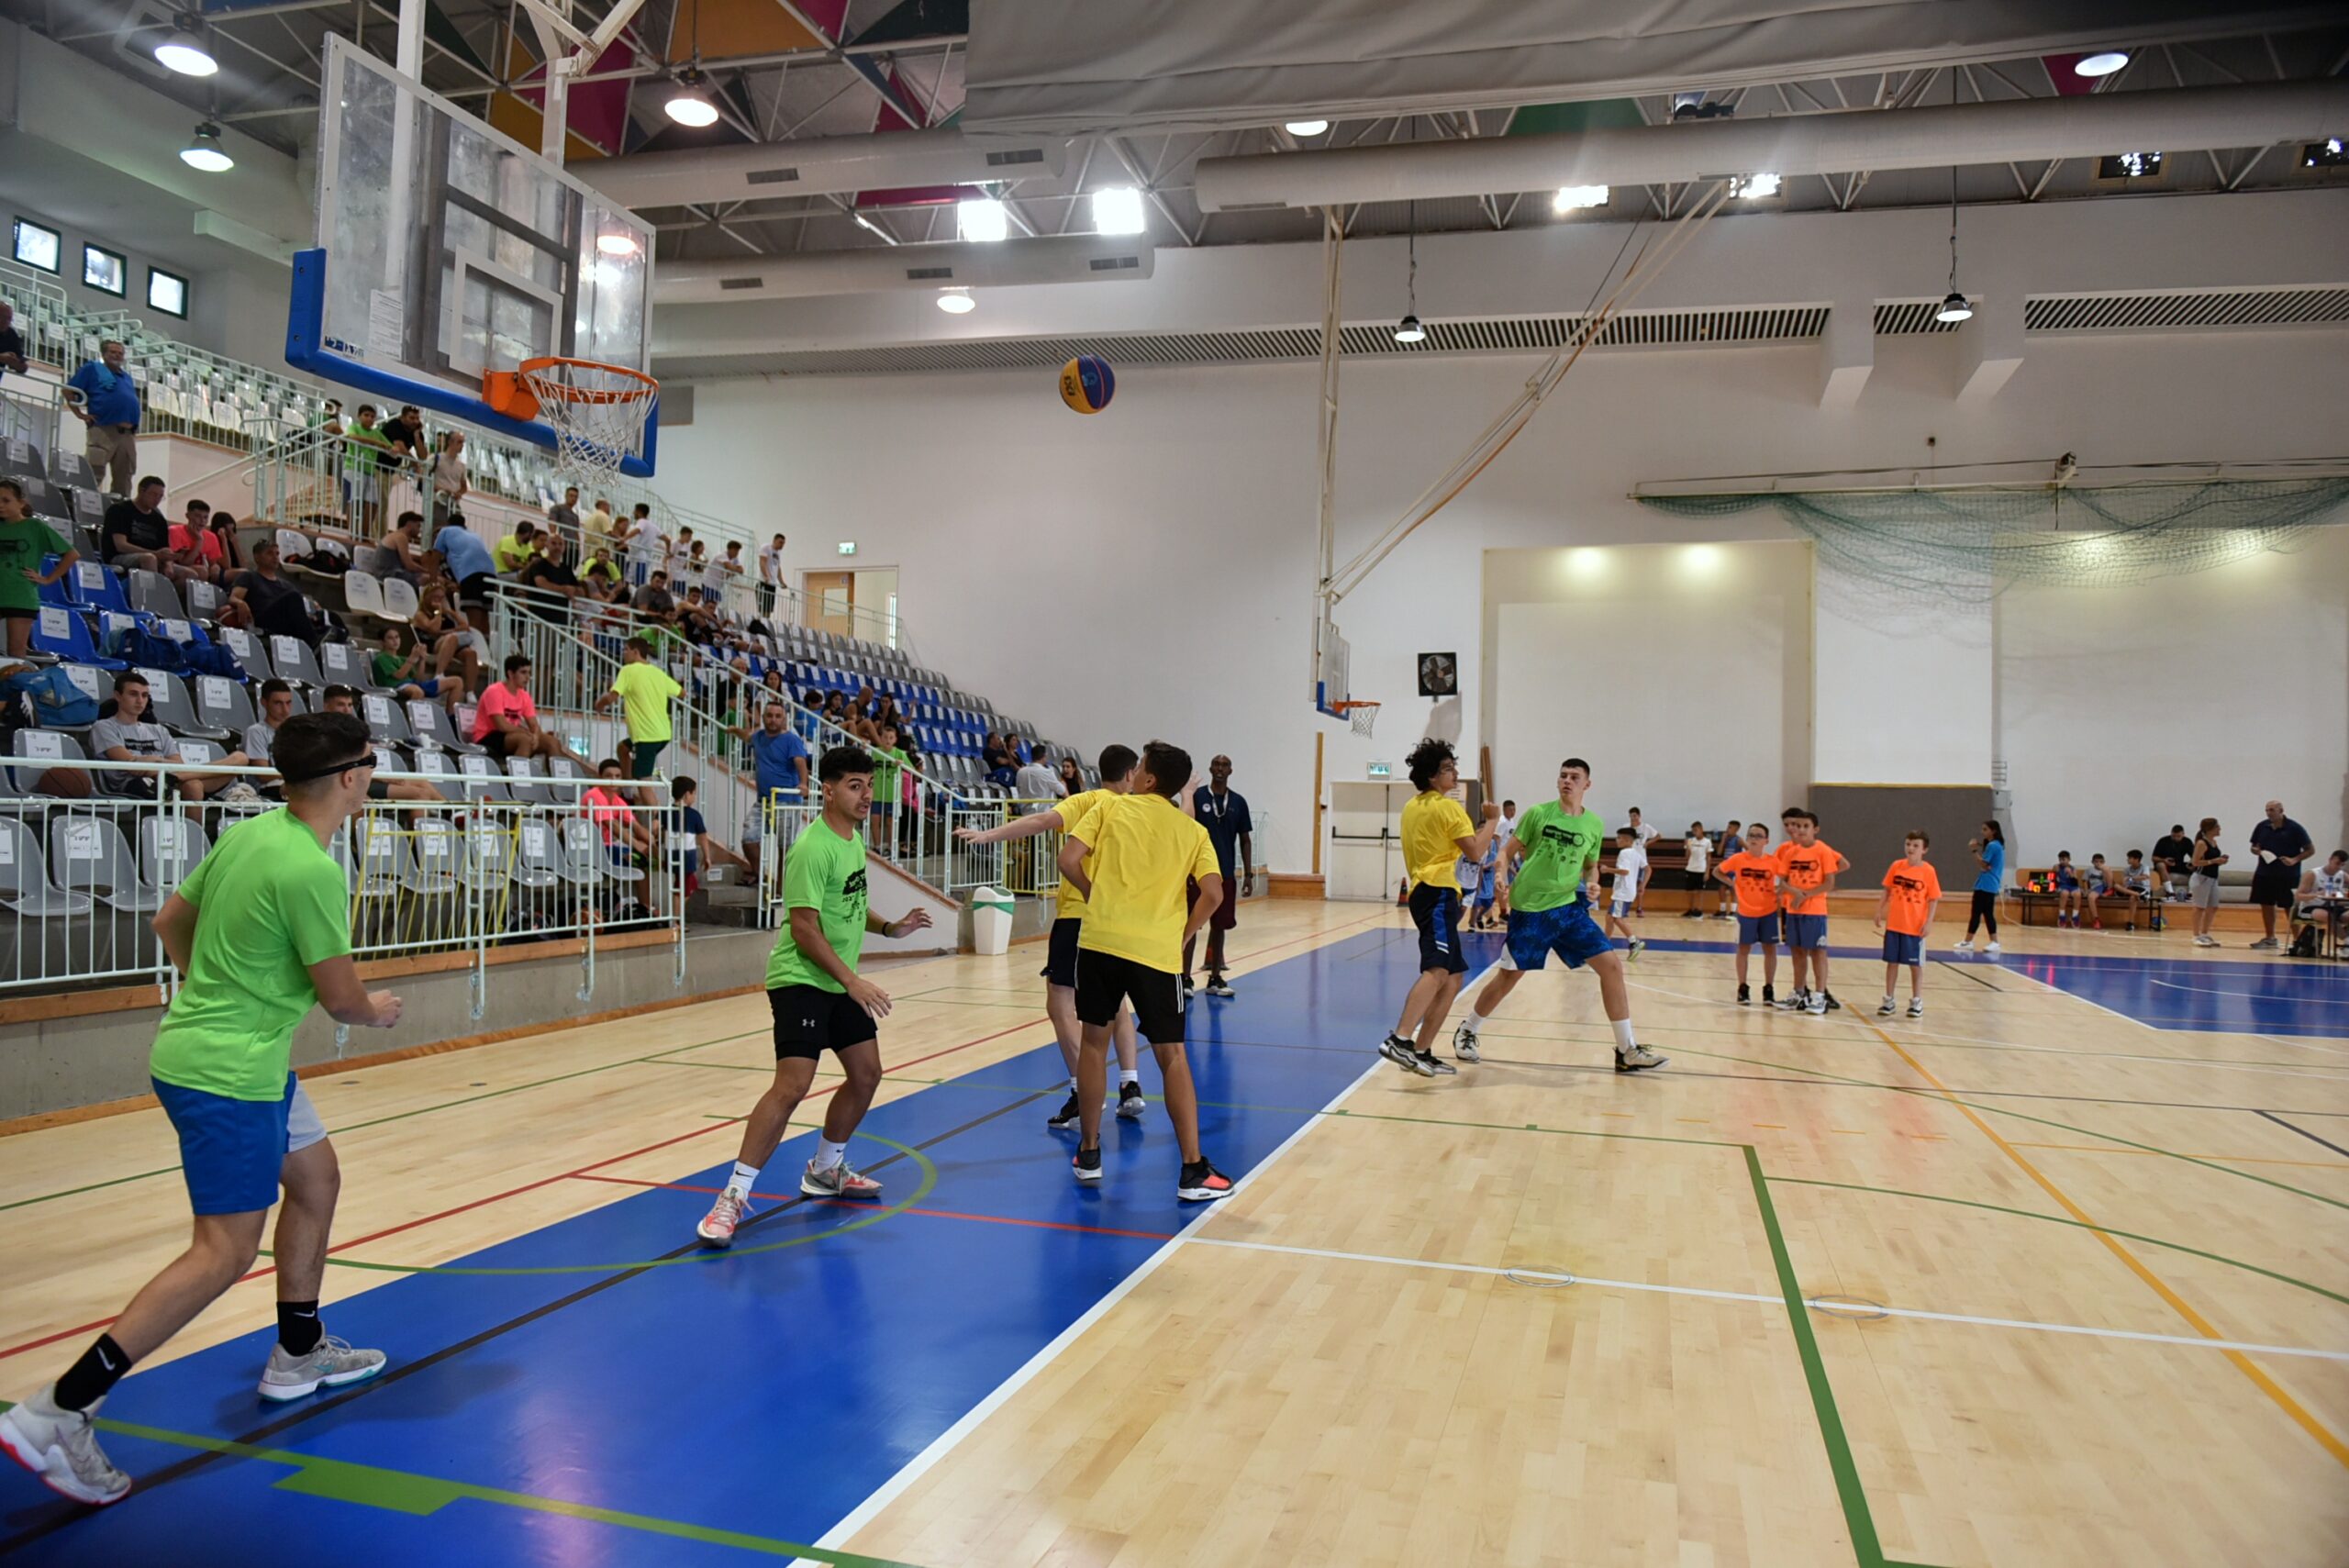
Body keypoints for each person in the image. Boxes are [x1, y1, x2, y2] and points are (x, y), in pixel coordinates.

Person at [0, 712, 401, 1507]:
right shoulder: (311, 870)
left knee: (316, 1177)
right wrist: (376, 1008)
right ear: (352, 777)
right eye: (371, 767)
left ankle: (298, 1350)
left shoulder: (250, 834)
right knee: (222, 1251)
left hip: (233, 1054)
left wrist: (218, 993)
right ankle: (59, 1409)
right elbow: (342, 999)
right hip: (229, 1075)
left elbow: (169, 921)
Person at [696, 745, 934, 1245]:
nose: (866, 795)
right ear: (828, 790)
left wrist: (890, 928)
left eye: (869, 785)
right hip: (801, 979)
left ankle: (826, 1169)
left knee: (866, 1074)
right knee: (792, 1085)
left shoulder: (853, 841)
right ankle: (733, 1196)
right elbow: (804, 927)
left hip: (838, 979)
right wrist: (853, 981)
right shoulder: (811, 847)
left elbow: (849, 903)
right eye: (854, 785)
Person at [1057, 740, 1234, 1199]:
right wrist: (1184, 935)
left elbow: (1068, 860)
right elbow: (1213, 894)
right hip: (1156, 952)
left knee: (1093, 1044)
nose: (1132, 773)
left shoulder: (1108, 808)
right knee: (1171, 1055)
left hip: (1099, 942)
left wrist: (1093, 895)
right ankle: (1192, 1170)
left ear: (1149, 779)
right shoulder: (1192, 831)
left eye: (1139, 768)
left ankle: (1089, 1153)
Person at [957, 744, 1152, 1127]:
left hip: (1079, 915)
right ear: (1131, 775)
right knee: (1116, 1000)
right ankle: (1130, 1084)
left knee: (1059, 1002)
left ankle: (1083, 1091)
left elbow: (1040, 821)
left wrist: (989, 834)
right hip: (1119, 919)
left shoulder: (1089, 802)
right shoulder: (1137, 810)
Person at [1453, 756, 1667, 1073]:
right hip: (1530, 908)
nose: (1567, 780)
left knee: (1611, 966)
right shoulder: (1538, 813)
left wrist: (1593, 883)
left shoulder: (1593, 824)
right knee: (1510, 976)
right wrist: (1499, 873)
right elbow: (1506, 851)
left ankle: (1627, 1050)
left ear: (1587, 784)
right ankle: (1468, 1029)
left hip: (1568, 907)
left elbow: (1591, 866)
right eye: (1563, 775)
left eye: (1574, 777)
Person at [1378, 739, 1501, 1078]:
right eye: (1448, 768)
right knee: (1436, 969)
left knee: (1454, 975)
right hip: (1437, 892)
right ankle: (1400, 1039)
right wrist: (1492, 822)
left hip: (1427, 891)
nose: (1455, 773)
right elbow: (1475, 851)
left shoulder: (1411, 807)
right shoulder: (1448, 807)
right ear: (1432, 776)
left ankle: (1422, 1051)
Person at [93, 673, 259, 804]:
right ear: (118, 696)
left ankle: (177, 779)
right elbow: (130, 764)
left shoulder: (159, 730)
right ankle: (179, 782)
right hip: (138, 783)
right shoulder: (104, 726)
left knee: (241, 758)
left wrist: (156, 763)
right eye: (133, 694)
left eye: (144, 695)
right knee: (193, 786)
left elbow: (177, 764)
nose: (140, 701)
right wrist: (159, 764)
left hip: (169, 778)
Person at [1177, 753, 1255, 997]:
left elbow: (1245, 839)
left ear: (1231, 771)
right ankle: (1185, 978)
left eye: (1225, 765)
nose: (1220, 768)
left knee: (1219, 925)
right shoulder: (1197, 797)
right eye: (1216, 764)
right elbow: (1185, 831)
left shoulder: (1238, 802)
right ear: (1210, 769)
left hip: (1225, 872)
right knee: (1191, 924)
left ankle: (1215, 978)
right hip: (1197, 873)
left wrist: (1248, 874)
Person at [1774, 808, 1848, 1016]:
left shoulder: (1823, 850)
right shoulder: (1790, 852)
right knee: (1797, 951)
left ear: (1815, 829)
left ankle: (1820, 995)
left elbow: (1829, 883)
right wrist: (1794, 893)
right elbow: (1783, 881)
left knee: (1817, 952)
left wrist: (1805, 895)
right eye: (1798, 826)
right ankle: (1799, 993)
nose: (1801, 830)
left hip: (1814, 910)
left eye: (1806, 826)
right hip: (1794, 909)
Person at [317, 686, 444, 802]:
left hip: (368, 779)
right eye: (341, 705)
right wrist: (381, 778)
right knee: (421, 794)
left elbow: (364, 764)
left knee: (423, 783)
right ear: (327, 706)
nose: (347, 710)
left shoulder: (353, 730)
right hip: (349, 783)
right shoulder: (322, 733)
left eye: (349, 705)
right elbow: (341, 770)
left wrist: (381, 777)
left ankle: (453, 815)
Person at [0, 476, 72, 660]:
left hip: (21, 595)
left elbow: (71, 554)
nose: (1, 505)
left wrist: (47, 579)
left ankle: (18, 679)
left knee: (16, 650)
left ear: (21, 503)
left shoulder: (34, 527)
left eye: (6, 500)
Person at [1875, 832, 1943, 1018]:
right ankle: (1889, 999)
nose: (1910, 848)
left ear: (1924, 850)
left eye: (1915, 845)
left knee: (1915, 965)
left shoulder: (1928, 871)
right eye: (1908, 844)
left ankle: (1916, 1000)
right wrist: (1879, 910)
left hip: (1915, 927)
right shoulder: (1896, 866)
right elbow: (1887, 890)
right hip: (1894, 925)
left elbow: (1933, 898)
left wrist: (1929, 922)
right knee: (1892, 963)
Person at [596, 635, 682, 780]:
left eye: (626, 650)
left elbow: (612, 697)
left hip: (646, 735)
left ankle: (639, 791)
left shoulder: (628, 670)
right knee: (622, 748)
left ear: (635, 652)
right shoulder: (658, 672)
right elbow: (682, 693)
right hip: (663, 733)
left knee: (643, 782)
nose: (623, 653)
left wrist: (599, 705)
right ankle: (627, 787)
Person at [471, 653, 583, 764]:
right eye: (523, 672)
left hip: (512, 735)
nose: (528, 677)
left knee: (552, 742)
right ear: (510, 674)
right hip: (488, 736)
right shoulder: (494, 691)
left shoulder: (524, 695)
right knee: (525, 739)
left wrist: (536, 736)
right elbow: (501, 725)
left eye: (529, 673)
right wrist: (527, 734)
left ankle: (557, 776)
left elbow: (533, 724)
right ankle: (518, 775)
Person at [1715, 820, 1780, 1005]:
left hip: (1768, 911)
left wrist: (1781, 891)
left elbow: (1787, 879)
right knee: (1743, 949)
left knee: (1770, 949)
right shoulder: (1738, 859)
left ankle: (1769, 988)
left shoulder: (1773, 861)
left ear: (1766, 841)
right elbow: (1717, 871)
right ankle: (1743, 987)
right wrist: (1732, 883)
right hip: (1746, 912)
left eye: (1758, 836)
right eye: (1751, 835)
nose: (1754, 839)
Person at [65, 338, 142, 494]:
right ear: (104, 354)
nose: (117, 355)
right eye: (113, 352)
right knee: (94, 472)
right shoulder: (92, 369)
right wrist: (79, 414)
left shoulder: (126, 377)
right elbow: (68, 390)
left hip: (127, 434)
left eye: (120, 353)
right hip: (104, 428)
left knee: (125, 476)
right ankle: (84, 502)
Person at [223, 540, 323, 648]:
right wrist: (240, 603)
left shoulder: (287, 585)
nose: (275, 557)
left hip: (287, 623)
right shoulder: (249, 577)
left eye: (277, 553)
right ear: (257, 557)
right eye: (270, 553)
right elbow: (233, 597)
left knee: (327, 615)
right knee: (293, 597)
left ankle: (324, 639)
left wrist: (314, 605)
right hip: (264, 621)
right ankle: (314, 643)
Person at [2247, 799, 2316, 951]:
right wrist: (2256, 850)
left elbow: (2310, 850)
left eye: (2272, 810)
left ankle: (2298, 940)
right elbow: (2254, 846)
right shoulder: (2262, 826)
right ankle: (2270, 937)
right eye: (2267, 810)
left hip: (2287, 874)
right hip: (2265, 872)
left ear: (2281, 810)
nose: (2269, 813)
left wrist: (2295, 859)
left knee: (2289, 906)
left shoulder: (2295, 828)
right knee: (2266, 904)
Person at [670, 775, 751, 895]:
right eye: (694, 794)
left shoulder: (666, 812)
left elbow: (655, 827)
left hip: (671, 854)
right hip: (687, 857)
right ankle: (677, 907)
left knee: (688, 884)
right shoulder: (694, 815)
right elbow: (703, 837)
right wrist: (707, 856)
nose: (695, 797)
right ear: (687, 795)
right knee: (683, 888)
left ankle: (678, 906)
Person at [431, 513, 496, 633]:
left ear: (448, 524)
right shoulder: (475, 535)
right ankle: (485, 642)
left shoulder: (445, 531)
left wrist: (432, 583)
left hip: (471, 575)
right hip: (490, 574)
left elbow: (435, 557)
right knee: (484, 617)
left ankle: (475, 641)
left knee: (474, 618)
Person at [371, 626, 462, 711]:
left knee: (457, 681)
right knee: (418, 691)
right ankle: (408, 718)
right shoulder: (382, 658)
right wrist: (412, 659)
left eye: (397, 637)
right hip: (396, 686)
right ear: (382, 642)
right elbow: (399, 675)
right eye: (390, 638)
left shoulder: (402, 659)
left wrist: (422, 660)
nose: (395, 641)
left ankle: (451, 717)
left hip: (412, 684)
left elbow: (419, 679)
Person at [102, 475, 175, 577]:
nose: (157, 500)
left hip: (153, 556)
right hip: (120, 556)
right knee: (149, 559)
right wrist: (155, 554)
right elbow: (121, 545)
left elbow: (164, 548)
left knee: (188, 573)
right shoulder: (119, 510)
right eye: (153, 494)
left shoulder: (159, 519)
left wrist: (168, 564)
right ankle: (150, 588)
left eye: (160, 496)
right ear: (141, 491)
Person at [1953, 820, 2006, 956]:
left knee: (1977, 913)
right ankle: (1993, 941)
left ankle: (1968, 941)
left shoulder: (1993, 846)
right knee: (1987, 914)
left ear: (1993, 831)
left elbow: (1984, 865)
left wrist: (1974, 851)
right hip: (1990, 884)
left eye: (1985, 829)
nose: (1983, 832)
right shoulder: (1997, 845)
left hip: (1986, 884)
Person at [1601, 827, 1649, 957]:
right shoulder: (1636, 853)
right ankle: (1605, 945)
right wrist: (1643, 885)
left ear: (1627, 840)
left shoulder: (1624, 853)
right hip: (1628, 891)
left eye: (1619, 838)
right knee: (1609, 918)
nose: (1616, 840)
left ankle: (1634, 942)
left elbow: (1624, 871)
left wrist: (1607, 869)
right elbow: (1648, 869)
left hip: (1623, 891)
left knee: (1617, 919)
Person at [2293, 850, 2348, 954]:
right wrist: (2317, 894)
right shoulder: (2312, 874)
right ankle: (2347, 941)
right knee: (2327, 916)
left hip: (2333, 905)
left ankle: (2345, 946)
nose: (2339, 867)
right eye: (2337, 863)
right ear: (2330, 860)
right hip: (2312, 907)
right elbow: (2298, 896)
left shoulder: (2342, 874)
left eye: (2342, 865)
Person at [168, 498, 230, 584]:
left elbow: (214, 563)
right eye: (197, 516)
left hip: (204, 569)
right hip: (179, 567)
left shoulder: (211, 536)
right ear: (188, 516)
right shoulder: (175, 531)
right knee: (201, 571)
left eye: (205, 517)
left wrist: (215, 567)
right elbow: (184, 563)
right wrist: (199, 541)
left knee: (241, 573)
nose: (202, 521)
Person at [2188, 817, 2228, 948]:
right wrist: (2213, 861)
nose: (2219, 829)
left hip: (2213, 878)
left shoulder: (2214, 842)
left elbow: (2213, 859)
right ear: (2210, 829)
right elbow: (2195, 862)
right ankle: (2195, 935)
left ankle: (2204, 933)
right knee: (2199, 907)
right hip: (2201, 878)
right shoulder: (2201, 843)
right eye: (2217, 827)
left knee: (2213, 907)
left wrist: (2220, 861)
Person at [427, 430, 467, 535]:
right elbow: (424, 478)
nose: (462, 445)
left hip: (454, 504)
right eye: (459, 442)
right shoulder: (435, 458)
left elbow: (464, 487)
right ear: (450, 442)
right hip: (438, 501)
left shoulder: (461, 466)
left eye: (463, 442)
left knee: (456, 533)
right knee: (437, 531)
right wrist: (442, 489)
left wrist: (458, 493)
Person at [2122, 849, 2164, 931]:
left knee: (2133, 898)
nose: (2127, 860)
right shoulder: (2126, 870)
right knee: (2120, 890)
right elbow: (2124, 882)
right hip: (2131, 888)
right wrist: (2127, 883)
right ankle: (2141, 896)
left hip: (2142, 888)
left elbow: (2145, 877)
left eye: (2130, 858)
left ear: (2136, 859)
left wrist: (2131, 878)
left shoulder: (2144, 867)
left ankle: (2130, 923)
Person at [2152, 823, 2194, 903]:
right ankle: (2170, 892)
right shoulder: (2163, 841)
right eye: (2174, 836)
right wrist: (2164, 860)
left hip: (2179, 864)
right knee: (2160, 865)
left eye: (2178, 836)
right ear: (2171, 833)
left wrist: (2191, 863)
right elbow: (2154, 858)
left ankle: (2191, 893)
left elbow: (2195, 857)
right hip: (2166, 864)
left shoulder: (2187, 842)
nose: (2176, 838)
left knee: (2197, 866)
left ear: (2183, 834)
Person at [1680, 820, 1712, 918]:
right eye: (1693, 830)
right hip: (1690, 868)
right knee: (1689, 891)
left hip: (1701, 869)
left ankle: (1699, 909)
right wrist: (1687, 847)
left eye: (1696, 830)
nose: (1695, 832)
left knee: (1700, 891)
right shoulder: (1690, 841)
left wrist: (1707, 872)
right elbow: (1687, 856)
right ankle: (1691, 909)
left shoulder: (1707, 842)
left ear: (1701, 829)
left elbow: (1708, 857)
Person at [1714, 820, 1744, 920]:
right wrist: (1723, 840)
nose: (1727, 829)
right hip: (1725, 868)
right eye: (1728, 827)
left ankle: (1734, 911)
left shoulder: (1739, 840)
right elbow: (1719, 852)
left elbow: (1748, 849)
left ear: (1736, 829)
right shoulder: (1727, 840)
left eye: (1730, 827)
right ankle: (1723, 910)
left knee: (1733, 889)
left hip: (1734, 869)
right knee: (1721, 888)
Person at [627, 505, 663, 586]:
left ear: (639, 512)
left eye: (634, 511)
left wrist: (624, 538)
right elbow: (667, 539)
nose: (633, 513)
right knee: (639, 582)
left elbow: (638, 530)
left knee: (633, 581)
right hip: (645, 557)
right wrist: (668, 549)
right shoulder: (653, 526)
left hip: (638, 557)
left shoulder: (642, 521)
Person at [2052, 851, 2084, 929]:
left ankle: (2075, 916)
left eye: (2063, 859)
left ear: (2069, 859)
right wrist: (2055, 871)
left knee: (2078, 894)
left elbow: (2075, 883)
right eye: (2060, 860)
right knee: (2064, 893)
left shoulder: (2073, 869)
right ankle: (2062, 916)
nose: (2062, 861)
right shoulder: (2057, 867)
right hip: (2063, 886)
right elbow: (2052, 877)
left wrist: (2070, 873)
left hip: (2072, 886)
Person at [758, 531, 785, 617]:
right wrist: (766, 576)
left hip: (772, 584)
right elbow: (762, 562)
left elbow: (778, 568)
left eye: (783, 543)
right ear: (774, 540)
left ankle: (766, 623)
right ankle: (761, 623)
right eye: (780, 542)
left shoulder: (778, 553)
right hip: (764, 583)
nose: (782, 545)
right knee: (763, 608)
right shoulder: (766, 547)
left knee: (769, 609)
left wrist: (781, 582)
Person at [2084, 853, 2112, 930]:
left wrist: (2104, 871)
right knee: (2091, 897)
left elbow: (2109, 880)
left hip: (2104, 886)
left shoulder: (2105, 869)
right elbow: (2085, 881)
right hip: (2095, 887)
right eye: (2096, 862)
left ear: (2104, 862)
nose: (2098, 863)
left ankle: (2110, 890)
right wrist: (2086, 891)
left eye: (2101, 862)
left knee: (2107, 869)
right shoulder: (2089, 870)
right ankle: (2096, 919)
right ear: (2092, 862)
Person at [0, 300, 27, 379]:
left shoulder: (11, 334)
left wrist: (17, 364)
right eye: (3, 317)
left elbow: (23, 367)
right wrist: (1, 358)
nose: (6, 321)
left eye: (9, 319)